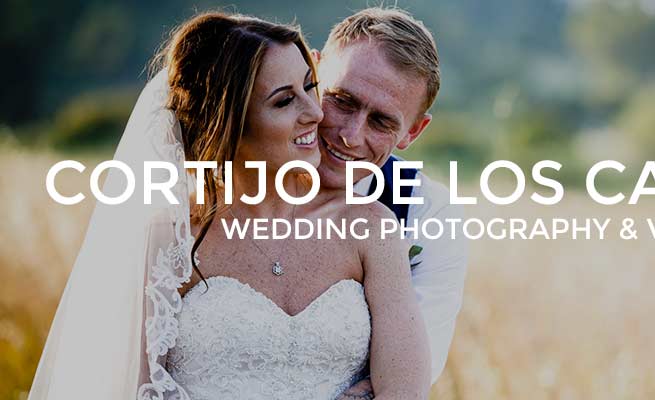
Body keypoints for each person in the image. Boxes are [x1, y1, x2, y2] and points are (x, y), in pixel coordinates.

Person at [29, 12, 430, 400]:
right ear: (232, 122)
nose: (315, 112)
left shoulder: (371, 227)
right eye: (284, 101)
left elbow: (405, 390)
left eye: (310, 87)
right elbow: (126, 388)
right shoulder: (169, 236)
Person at [310, 8, 468, 399]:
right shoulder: (224, 181)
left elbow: (420, 361)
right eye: (342, 100)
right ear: (311, 74)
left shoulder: (428, 211)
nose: (350, 134)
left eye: (381, 121)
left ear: (413, 131)